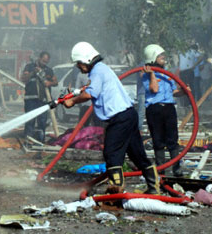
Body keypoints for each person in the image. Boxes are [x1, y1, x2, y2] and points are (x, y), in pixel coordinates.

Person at [64, 42, 159, 194]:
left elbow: (90, 94)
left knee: (111, 152)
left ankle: (116, 190)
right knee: (137, 153)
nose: (79, 67)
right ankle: (154, 188)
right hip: (128, 115)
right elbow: (90, 90)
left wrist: (72, 101)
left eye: (79, 63)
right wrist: (75, 94)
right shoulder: (101, 70)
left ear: (87, 60)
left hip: (120, 118)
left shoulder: (97, 71)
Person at [143, 44, 186, 177]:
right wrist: (151, 74)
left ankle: (177, 169)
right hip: (154, 109)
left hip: (168, 108)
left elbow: (174, 92)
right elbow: (154, 89)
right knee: (158, 140)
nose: (163, 57)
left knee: (173, 140)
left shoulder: (167, 74)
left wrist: (184, 91)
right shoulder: (145, 75)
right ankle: (161, 169)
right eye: (160, 55)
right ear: (152, 58)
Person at [21, 51, 57, 143]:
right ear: (39, 58)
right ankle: (28, 140)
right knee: (30, 121)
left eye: (46, 62)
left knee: (42, 121)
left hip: (43, 101)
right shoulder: (29, 67)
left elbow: (56, 82)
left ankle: (40, 141)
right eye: (43, 61)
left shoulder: (48, 70)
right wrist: (33, 72)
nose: (45, 63)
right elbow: (24, 79)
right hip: (31, 100)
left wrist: (50, 83)